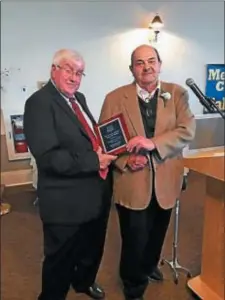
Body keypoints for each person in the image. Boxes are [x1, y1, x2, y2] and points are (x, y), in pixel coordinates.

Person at [99, 44, 196, 300]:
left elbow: (187, 131)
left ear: (160, 64)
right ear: (132, 69)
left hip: (166, 180)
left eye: (151, 61)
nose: (147, 67)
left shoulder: (177, 94)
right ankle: (133, 285)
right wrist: (125, 161)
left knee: (157, 233)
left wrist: (153, 143)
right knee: (134, 238)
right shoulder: (114, 98)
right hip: (133, 182)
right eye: (139, 63)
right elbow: (107, 142)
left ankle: (150, 265)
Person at [23, 49, 117, 300]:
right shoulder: (38, 103)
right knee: (59, 259)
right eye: (69, 70)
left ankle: (84, 281)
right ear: (54, 69)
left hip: (95, 192)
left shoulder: (79, 98)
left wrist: (105, 147)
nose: (75, 77)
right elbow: (48, 157)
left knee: (92, 248)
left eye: (79, 72)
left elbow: (87, 135)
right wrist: (93, 159)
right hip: (64, 201)